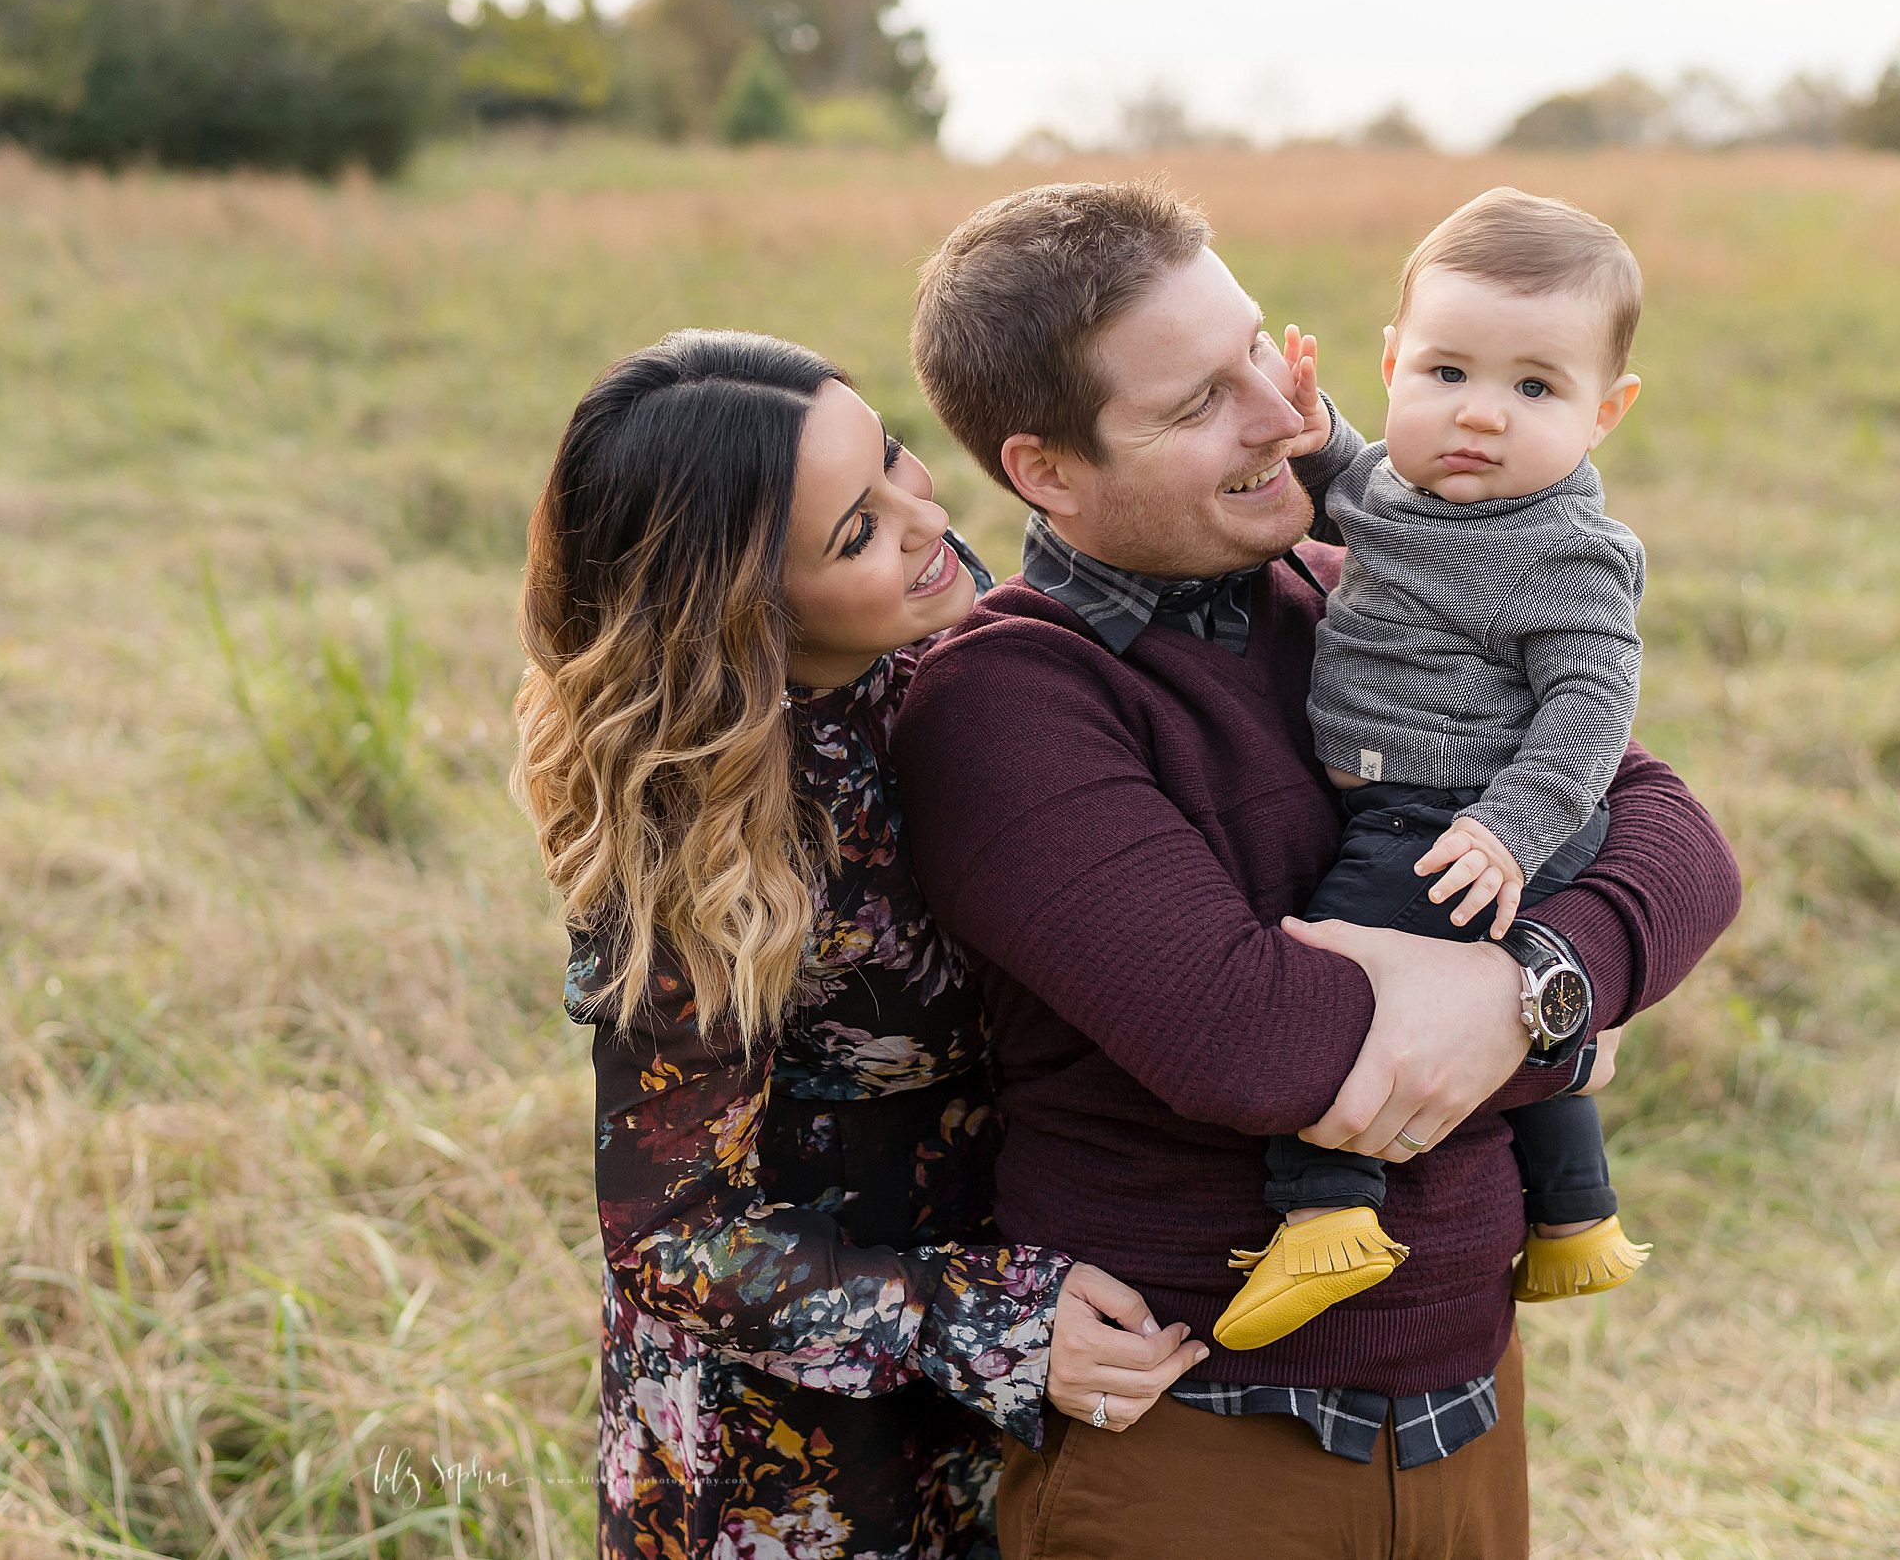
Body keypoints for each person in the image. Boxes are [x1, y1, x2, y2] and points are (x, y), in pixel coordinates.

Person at [893, 182, 1741, 1558]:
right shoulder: (1007, 697)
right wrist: (1559, 1029)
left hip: (1466, 1393)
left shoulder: (1353, 580)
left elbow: (1680, 839)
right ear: (1044, 468)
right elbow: (1253, 1040)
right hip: (1199, 1432)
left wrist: (1542, 986)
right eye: (1195, 404)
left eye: (1255, 355)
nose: (1282, 415)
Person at [512, 329, 1207, 1560]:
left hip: (1028, 1315)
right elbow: (672, 1234)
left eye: (893, 460)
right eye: (857, 533)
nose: (923, 519)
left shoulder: (954, 629)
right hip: (804, 1428)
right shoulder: (705, 836)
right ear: (738, 611)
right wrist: (983, 1320)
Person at [1218, 188, 1660, 1353]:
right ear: (1393, 363)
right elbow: (1350, 483)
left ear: (1603, 410)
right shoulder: (1409, 494)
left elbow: (1591, 709)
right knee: (1502, 1002)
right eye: (1445, 372)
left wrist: (1509, 828)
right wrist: (1312, 429)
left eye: (1533, 387)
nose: (1479, 417)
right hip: (1436, 803)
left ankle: (1325, 1210)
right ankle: (1574, 1217)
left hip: (1463, 816)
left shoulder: (1564, 548)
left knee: (1340, 973)